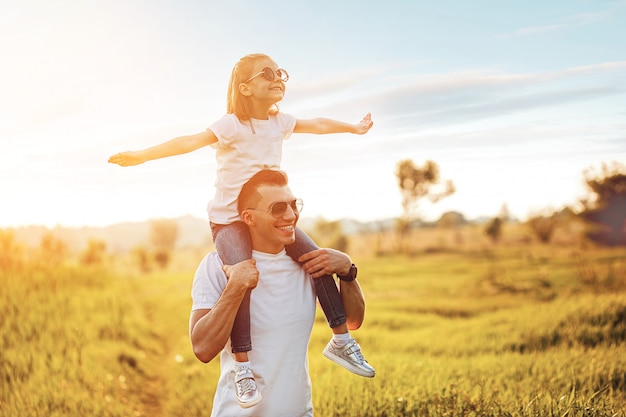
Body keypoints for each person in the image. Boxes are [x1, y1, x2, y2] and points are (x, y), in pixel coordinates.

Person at [108, 53, 375, 408]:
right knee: (243, 277)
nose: (278, 77)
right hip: (230, 222)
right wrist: (143, 156)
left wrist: (353, 128)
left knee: (319, 259)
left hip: (267, 216)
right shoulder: (232, 125)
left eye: (280, 72)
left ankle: (341, 340)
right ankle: (243, 368)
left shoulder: (280, 123)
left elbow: (320, 124)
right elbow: (188, 141)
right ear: (245, 87)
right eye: (267, 73)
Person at [190, 169, 373, 417]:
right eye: (277, 208)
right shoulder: (217, 266)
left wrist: (347, 273)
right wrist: (235, 287)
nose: (290, 215)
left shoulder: (310, 264)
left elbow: (353, 321)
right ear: (249, 217)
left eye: (293, 204)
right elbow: (202, 348)